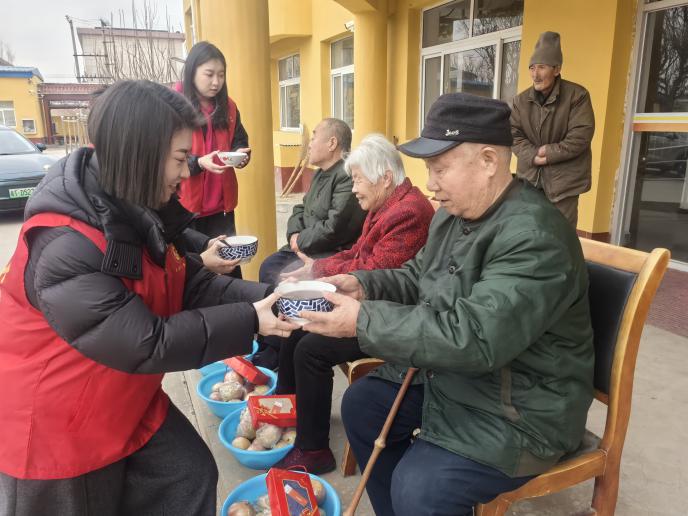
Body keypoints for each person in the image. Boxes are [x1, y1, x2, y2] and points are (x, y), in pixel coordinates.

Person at [0, 80, 297, 516]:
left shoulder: (137, 209)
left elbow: (188, 283)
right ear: (140, 154)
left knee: (187, 475)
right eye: (180, 159)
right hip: (60, 422)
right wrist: (252, 320)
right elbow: (146, 342)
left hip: (121, 398)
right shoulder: (67, 244)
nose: (186, 173)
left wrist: (275, 299)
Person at [300, 93, 594, 515]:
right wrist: (362, 285)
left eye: (440, 169)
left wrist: (363, 321)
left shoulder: (534, 237)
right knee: (362, 406)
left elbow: (475, 338)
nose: (431, 184)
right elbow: (417, 276)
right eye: (428, 170)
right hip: (463, 377)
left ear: (489, 161)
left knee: (420, 487)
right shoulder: (452, 216)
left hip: (522, 405)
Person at [270, 134, 435, 474]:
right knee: (298, 323)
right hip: (372, 301)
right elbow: (357, 253)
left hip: (391, 315)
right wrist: (314, 269)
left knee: (310, 348)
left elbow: (375, 271)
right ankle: (289, 409)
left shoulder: (409, 212)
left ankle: (313, 450)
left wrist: (320, 271)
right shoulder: (387, 204)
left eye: (358, 179)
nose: (355, 188)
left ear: (384, 178)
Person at [258, 118, 366, 286]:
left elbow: (335, 227)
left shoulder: (347, 175)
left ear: (332, 143)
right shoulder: (319, 173)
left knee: (275, 272)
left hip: (328, 252)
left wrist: (300, 240)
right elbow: (301, 208)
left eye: (314, 138)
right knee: (269, 267)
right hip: (306, 246)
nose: (309, 145)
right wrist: (294, 234)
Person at [510, 31, 595, 227]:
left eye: (542, 67)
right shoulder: (520, 101)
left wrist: (547, 153)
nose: (535, 74)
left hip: (564, 184)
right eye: (532, 68)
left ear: (557, 69)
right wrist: (532, 155)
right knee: (528, 232)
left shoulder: (577, 96)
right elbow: (513, 135)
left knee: (561, 235)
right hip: (530, 181)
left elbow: (580, 136)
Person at [175, 41, 251, 258]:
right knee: (194, 265)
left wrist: (241, 155)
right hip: (185, 207)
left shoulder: (229, 107)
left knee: (227, 263)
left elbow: (240, 140)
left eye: (221, 75)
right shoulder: (174, 104)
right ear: (192, 72)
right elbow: (163, 155)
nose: (216, 82)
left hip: (221, 207)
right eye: (209, 74)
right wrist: (198, 163)